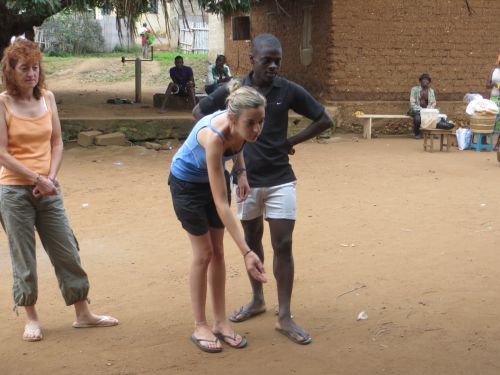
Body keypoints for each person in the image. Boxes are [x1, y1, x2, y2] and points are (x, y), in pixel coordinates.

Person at [193, 33, 333, 345]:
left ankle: (284, 315)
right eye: (267, 60)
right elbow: (200, 112)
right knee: (251, 242)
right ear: (252, 58)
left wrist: (290, 142)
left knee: (283, 244)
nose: (273, 66)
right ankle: (257, 299)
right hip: (247, 181)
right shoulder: (235, 91)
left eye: (277, 61)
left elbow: (324, 119)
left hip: (281, 178)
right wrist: (218, 144)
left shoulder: (288, 90)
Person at [0, 38, 118, 342]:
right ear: (10, 71)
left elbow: (57, 143)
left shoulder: (48, 99)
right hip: (14, 192)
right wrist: (35, 178)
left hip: (48, 188)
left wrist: (49, 179)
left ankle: (83, 313)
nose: (31, 73)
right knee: (23, 256)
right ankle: (32, 317)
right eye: (24, 68)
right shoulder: (2, 103)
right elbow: (2, 153)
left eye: (35, 67)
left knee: (66, 248)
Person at [169, 81, 267, 353]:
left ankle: (221, 322)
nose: (256, 129)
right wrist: (247, 251)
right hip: (187, 184)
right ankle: (200, 324)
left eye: (261, 121)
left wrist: (241, 172)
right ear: (233, 118)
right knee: (204, 254)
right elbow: (222, 204)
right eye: (251, 123)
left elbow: (240, 146)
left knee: (219, 253)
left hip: (212, 179)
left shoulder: (242, 129)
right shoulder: (214, 137)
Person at [409, 73, 437, 138]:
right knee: (417, 119)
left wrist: (431, 107)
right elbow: (412, 103)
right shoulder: (414, 89)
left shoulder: (431, 91)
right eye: (423, 80)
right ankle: (417, 133)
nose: (425, 81)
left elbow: (434, 102)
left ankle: (431, 133)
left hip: (428, 111)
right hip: (417, 110)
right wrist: (421, 109)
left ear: (429, 82)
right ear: (420, 81)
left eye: (427, 80)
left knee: (436, 118)